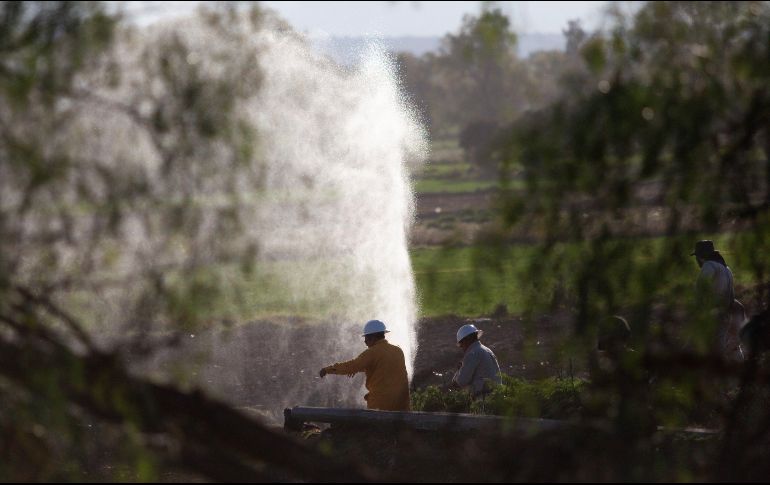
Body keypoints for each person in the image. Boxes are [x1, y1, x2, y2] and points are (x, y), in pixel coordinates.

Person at [319, 320, 410, 411]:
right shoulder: (398, 351)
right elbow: (381, 366)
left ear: (373, 337)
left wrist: (328, 370)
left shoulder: (371, 353)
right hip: (402, 407)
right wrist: (358, 368)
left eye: (366, 337)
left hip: (380, 406)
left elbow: (351, 366)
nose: (365, 341)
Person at [691, 240, 745, 360]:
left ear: (700, 256)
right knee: (731, 346)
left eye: (697, 257)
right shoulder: (726, 268)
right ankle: (742, 365)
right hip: (728, 312)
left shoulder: (709, 265)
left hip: (714, 314)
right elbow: (731, 295)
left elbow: (701, 289)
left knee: (714, 349)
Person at [451, 323, 502, 397]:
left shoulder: (472, 353)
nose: (461, 347)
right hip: (498, 396)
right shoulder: (487, 350)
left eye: (461, 344)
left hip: (485, 398)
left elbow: (460, 382)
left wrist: (459, 370)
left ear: (466, 340)